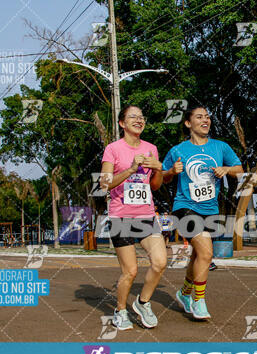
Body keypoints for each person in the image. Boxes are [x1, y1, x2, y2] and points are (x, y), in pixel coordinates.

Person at [162, 105, 243, 319]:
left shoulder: (221, 147)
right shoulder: (178, 150)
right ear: (188, 123)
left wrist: (227, 169)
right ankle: (199, 300)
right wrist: (171, 171)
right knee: (207, 253)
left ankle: (184, 293)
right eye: (199, 117)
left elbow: (240, 169)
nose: (205, 120)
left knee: (199, 255)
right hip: (185, 207)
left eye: (207, 116)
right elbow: (161, 177)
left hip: (210, 209)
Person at [100, 105, 167, 330]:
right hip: (121, 218)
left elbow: (155, 186)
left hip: (146, 216)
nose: (139, 120)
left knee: (160, 262)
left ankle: (143, 302)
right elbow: (105, 184)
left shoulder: (151, 148)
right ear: (122, 123)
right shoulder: (113, 149)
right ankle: (120, 310)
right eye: (133, 117)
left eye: (141, 116)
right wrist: (130, 169)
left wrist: (158, 169)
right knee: (130, 271)